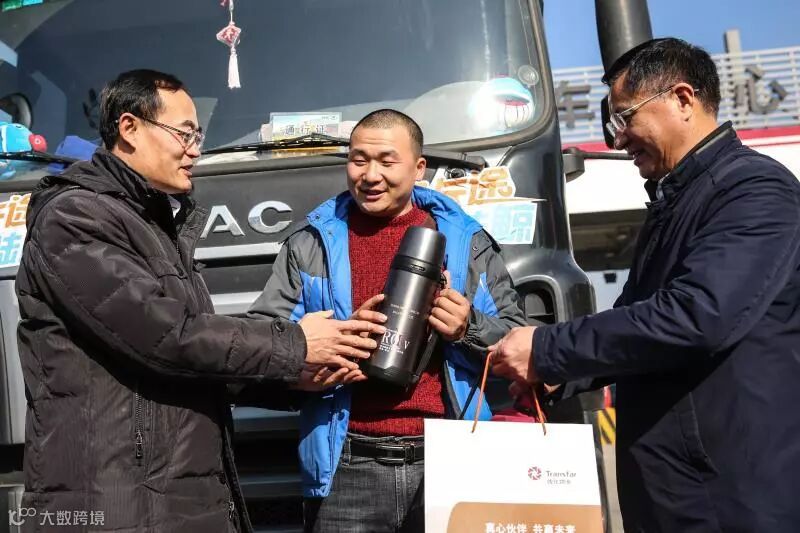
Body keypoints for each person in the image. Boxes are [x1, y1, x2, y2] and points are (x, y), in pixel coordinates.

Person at [15, 69, 383, 533]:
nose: (195, 150)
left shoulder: (150, 223)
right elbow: (169, 336)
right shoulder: (74, 218)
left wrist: (293, 378)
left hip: (168, 499)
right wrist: (295, 344)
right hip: (114, 505)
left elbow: (194, 363)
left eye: (198, 136)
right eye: (184, 134)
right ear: (129, 128)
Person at [489, 38, 800, 532]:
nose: (617, 139)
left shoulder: (754, 190)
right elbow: (635, 323)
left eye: (625, 117)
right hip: (677, 496)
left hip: (729, 498)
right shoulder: (675, 202)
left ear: (682, 99)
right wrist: (560, 374)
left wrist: (547, 348)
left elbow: (695, 317)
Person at [248, 109, 527, 532]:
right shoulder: (310, 243)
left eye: (386, 161)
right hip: (346, 466)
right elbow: (264, 342)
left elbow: (519, 341)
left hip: (450, 462)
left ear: (419, 168)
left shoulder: (465, 241)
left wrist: (467, 327)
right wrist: (327, 348)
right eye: (358, 160)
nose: (370, 175)